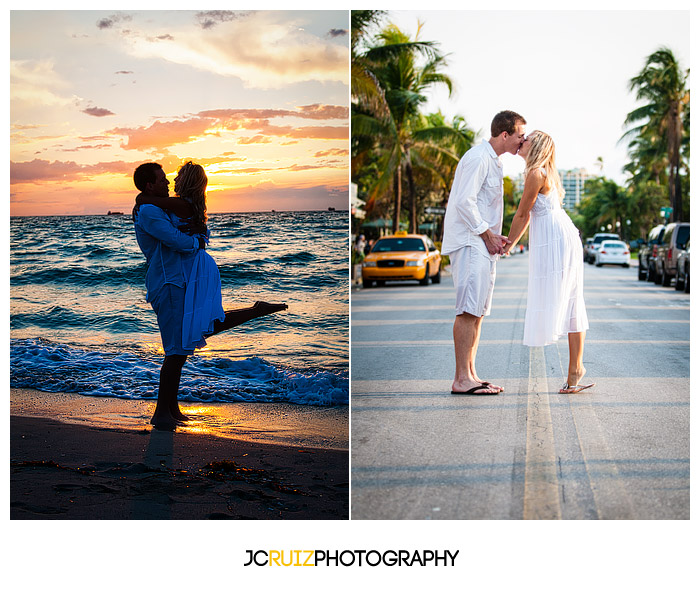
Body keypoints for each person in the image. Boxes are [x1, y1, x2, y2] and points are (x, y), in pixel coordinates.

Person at [133, 162, 287, 430]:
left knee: (184, 344)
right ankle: (161, 413)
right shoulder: (148, 211)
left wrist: (198, 237)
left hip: (184, 280)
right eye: (162, 180)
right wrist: (199, 241)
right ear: (149, 185)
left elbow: (191, 229)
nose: (168, 182)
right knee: (175, 349)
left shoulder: (159, 206)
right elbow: (177, 241)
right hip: (169, 283)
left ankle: (171, 408)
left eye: (171, 178)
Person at [441, 110, 526, 395]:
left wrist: (492, 236)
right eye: (519, 135)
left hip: (481, 242)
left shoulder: (495, 162)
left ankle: (471, 374)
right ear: (505, 134)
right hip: (470, 241)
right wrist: (487, 235)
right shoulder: (478, 157)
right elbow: (464, 203)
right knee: (467, 309)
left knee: (477, 311)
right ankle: (460, 378)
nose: (522, 141)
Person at [505, 131, 593, 394]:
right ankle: (575, 371)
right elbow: (528, 215)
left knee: (570, 302)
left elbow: (522, 214)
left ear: (538, 146)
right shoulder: (541, 171)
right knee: (572, 302)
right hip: (560, 237)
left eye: (527, 138)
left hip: (558, 241)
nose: (522, 141)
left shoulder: (536, 173)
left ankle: (576, 369)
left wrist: (508, 244)